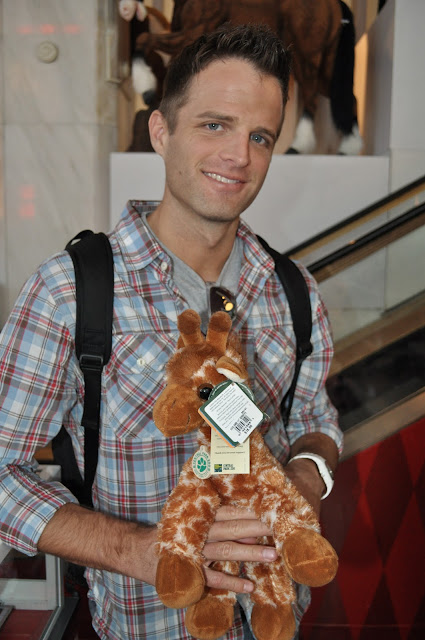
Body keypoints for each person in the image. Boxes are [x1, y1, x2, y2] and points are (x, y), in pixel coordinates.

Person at [0, 23, 342, 640]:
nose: (239, 156)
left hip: (275, 620)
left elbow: (316, 417)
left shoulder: (294, 290)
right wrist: (141, 550)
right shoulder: (69, 293)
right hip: (146, 622)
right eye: (215, 125)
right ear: (161, 131)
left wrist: (302, 480)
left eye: (259, 136)